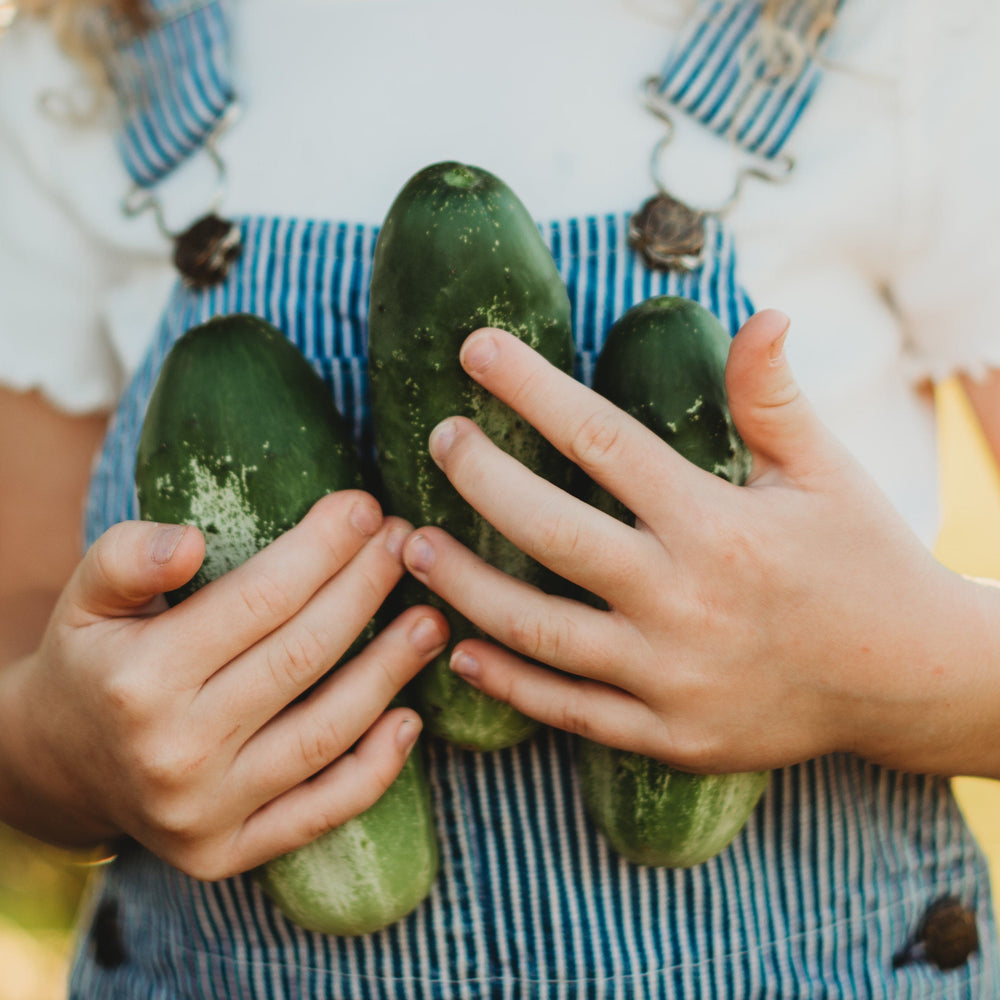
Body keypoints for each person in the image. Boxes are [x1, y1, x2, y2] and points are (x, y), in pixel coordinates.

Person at [1, 0, 999, 996]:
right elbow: (25, 632)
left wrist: (881, 672)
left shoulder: (903, 40)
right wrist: (65, 754)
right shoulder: (83, 60)